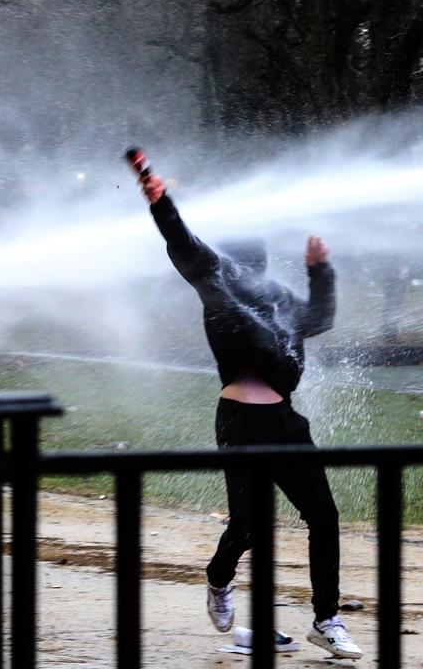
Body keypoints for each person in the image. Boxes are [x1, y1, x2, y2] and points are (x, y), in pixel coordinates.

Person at [136, 171, 362, 659]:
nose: (248, 266)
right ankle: (219, 577)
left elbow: (319, 320)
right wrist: (162, 205)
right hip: (241, 421)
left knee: (324, 516)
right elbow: (184, 245)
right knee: (250, 525)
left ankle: (327, 620)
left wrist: (321, 271)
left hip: (286, 421)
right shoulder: (217, 286)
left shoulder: (276, 297)